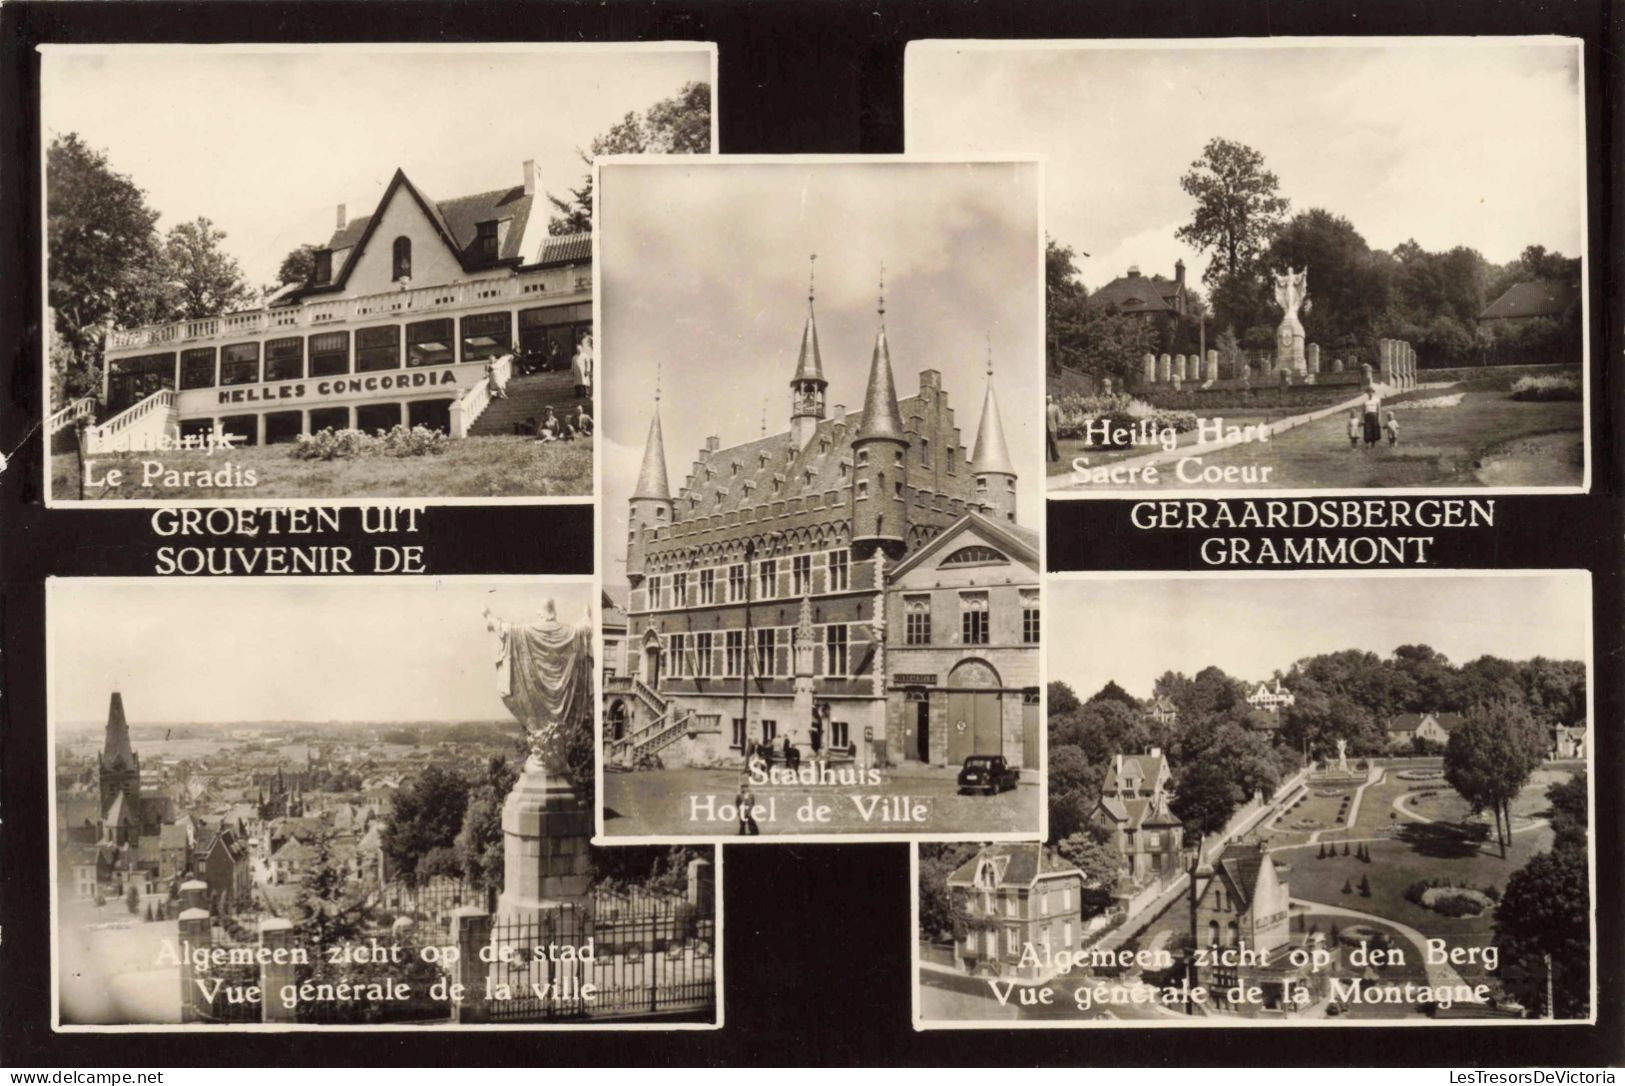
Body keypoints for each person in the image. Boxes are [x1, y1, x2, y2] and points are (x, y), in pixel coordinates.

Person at [1045, 393, 1062, 462]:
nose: (1048, 400)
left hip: (1052, 428)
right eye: (1047, 399)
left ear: (1051, 399)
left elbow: (1058, 418)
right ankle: (1044, 458)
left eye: (1049, 399)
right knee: (1045, 444)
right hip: (1044, 429)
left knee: (1054, 443)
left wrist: (1057, 427)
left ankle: (1056, 458)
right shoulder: (1042, 407)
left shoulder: (1055, 407)